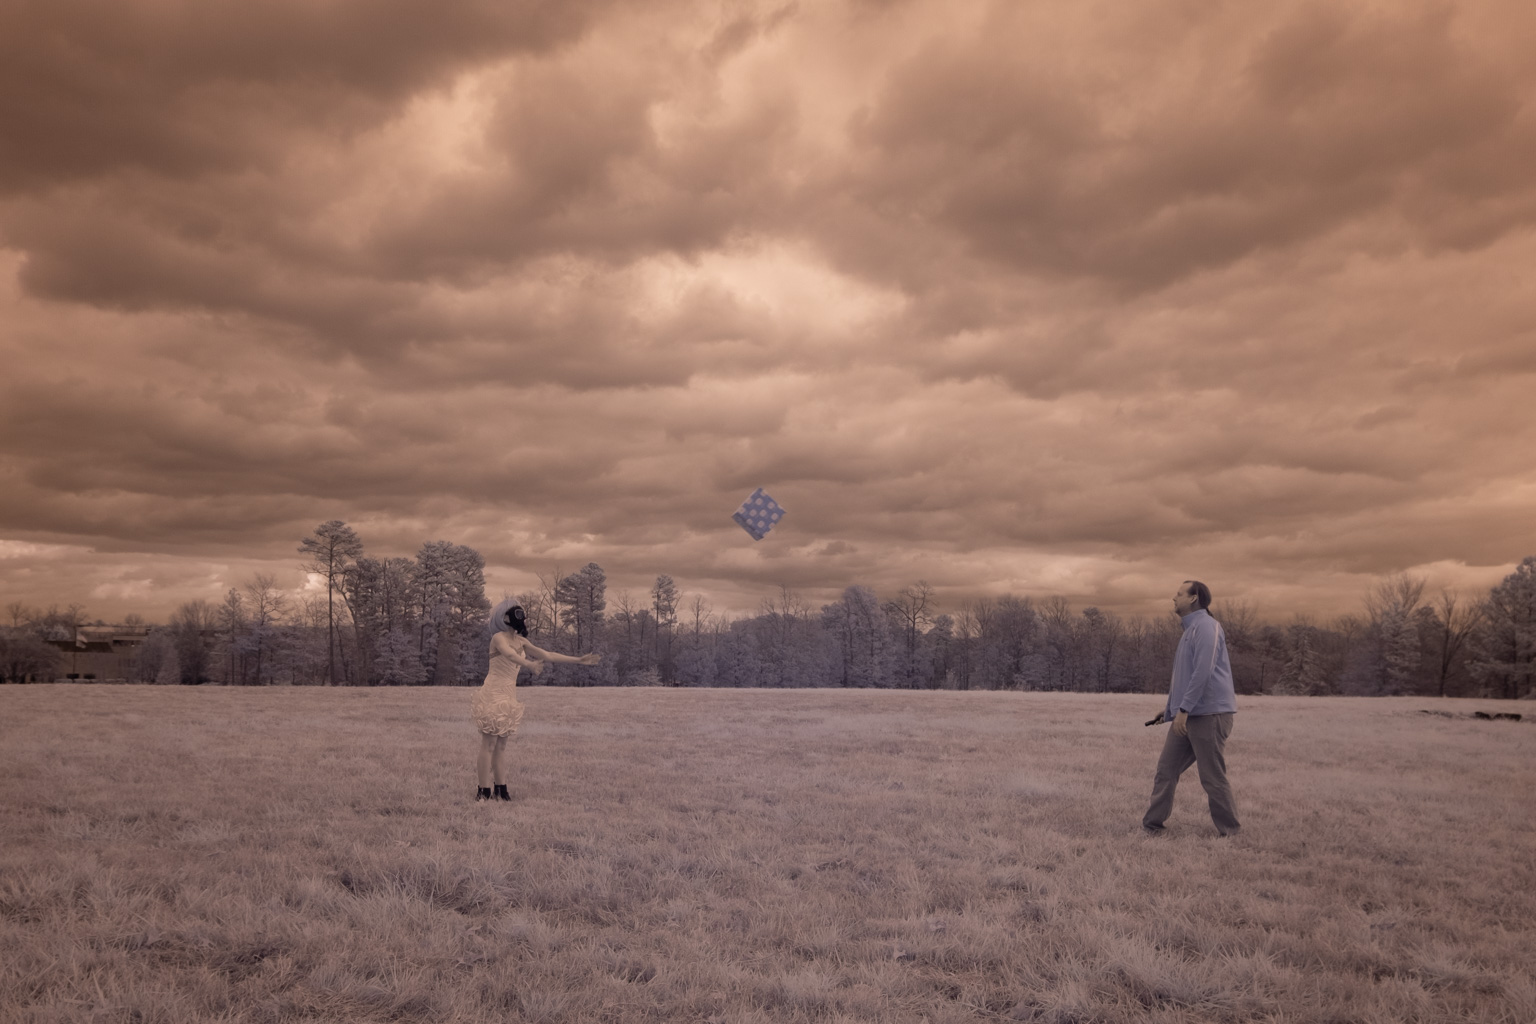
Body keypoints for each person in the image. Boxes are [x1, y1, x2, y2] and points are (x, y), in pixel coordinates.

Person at [472, 599, 601, 801]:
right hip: (493, 692)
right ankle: (483, 791)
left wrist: (578, 660)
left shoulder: (522, 642)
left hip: (508, 694)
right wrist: (528, 664)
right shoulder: (498, 638)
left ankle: (501, 789)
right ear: (505, 619)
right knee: (488, 744)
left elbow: (547, 654)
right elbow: (509, 655)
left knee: (501, 746)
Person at [1142, 580, 1241, 836]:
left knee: (1212, 776)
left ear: (1194, 598)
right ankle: (1152, 827)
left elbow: (1202, 673)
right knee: (1166, 770)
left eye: (1179, 594)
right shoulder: (1189, 630)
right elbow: (1184, 677)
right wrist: (1171, 710)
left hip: (1209, 715)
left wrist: (1183, 709)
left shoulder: (1207, 627)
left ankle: (1230, 832)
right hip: (1187, 715)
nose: (1173, 598)